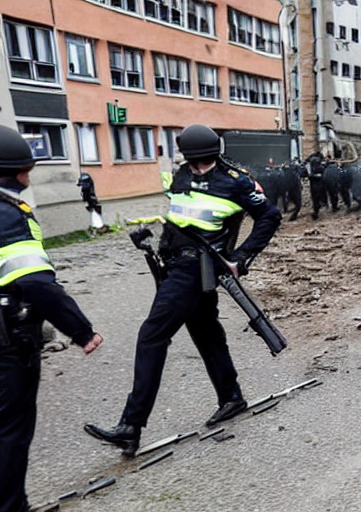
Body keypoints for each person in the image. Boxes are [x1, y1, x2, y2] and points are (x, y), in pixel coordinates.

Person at [85, 124, 281, 456]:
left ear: (215, 156)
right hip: (174, 264)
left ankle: (130, 426)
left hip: (197, 268)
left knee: (151, 335)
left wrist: (242, 256)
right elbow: (180, 217)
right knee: (206, 333)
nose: (199, 168)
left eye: (205, 162)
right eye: (194, 163)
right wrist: (151, 238)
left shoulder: (236, 181)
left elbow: (269, 216)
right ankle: (231, 397)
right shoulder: (180, 175)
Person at [0, 125, 103, 512]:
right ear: (16, 173)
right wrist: (81, 331)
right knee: (11, 429)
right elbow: (36, 284)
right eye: (27, 168)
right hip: (9, 340)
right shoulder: (10, 215)